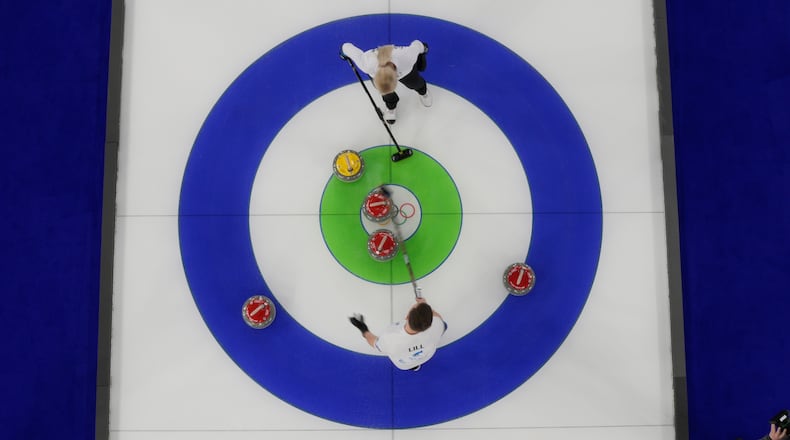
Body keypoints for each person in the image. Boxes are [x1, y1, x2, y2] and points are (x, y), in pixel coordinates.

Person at [340, 40, 432, 124]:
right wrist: (343, 52)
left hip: (405, 71)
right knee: (387, 95)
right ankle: (391, 106)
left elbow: (417, 45)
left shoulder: (407, 56)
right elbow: (346, 47)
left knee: (415, 83)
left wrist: (423, 48)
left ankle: (423, 92)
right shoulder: (367, 64)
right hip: (383, 68)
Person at [349, 297, 447, 371]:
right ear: (430, 322)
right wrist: (424, 305)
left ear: (408, 316)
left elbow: (374, 343)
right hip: (426, 357)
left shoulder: (390, 337)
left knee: (408, 362)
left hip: (403, 364)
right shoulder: (437, 327)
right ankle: (415, 365)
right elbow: (439, 319)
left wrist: (363, 329)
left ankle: (412, 366)